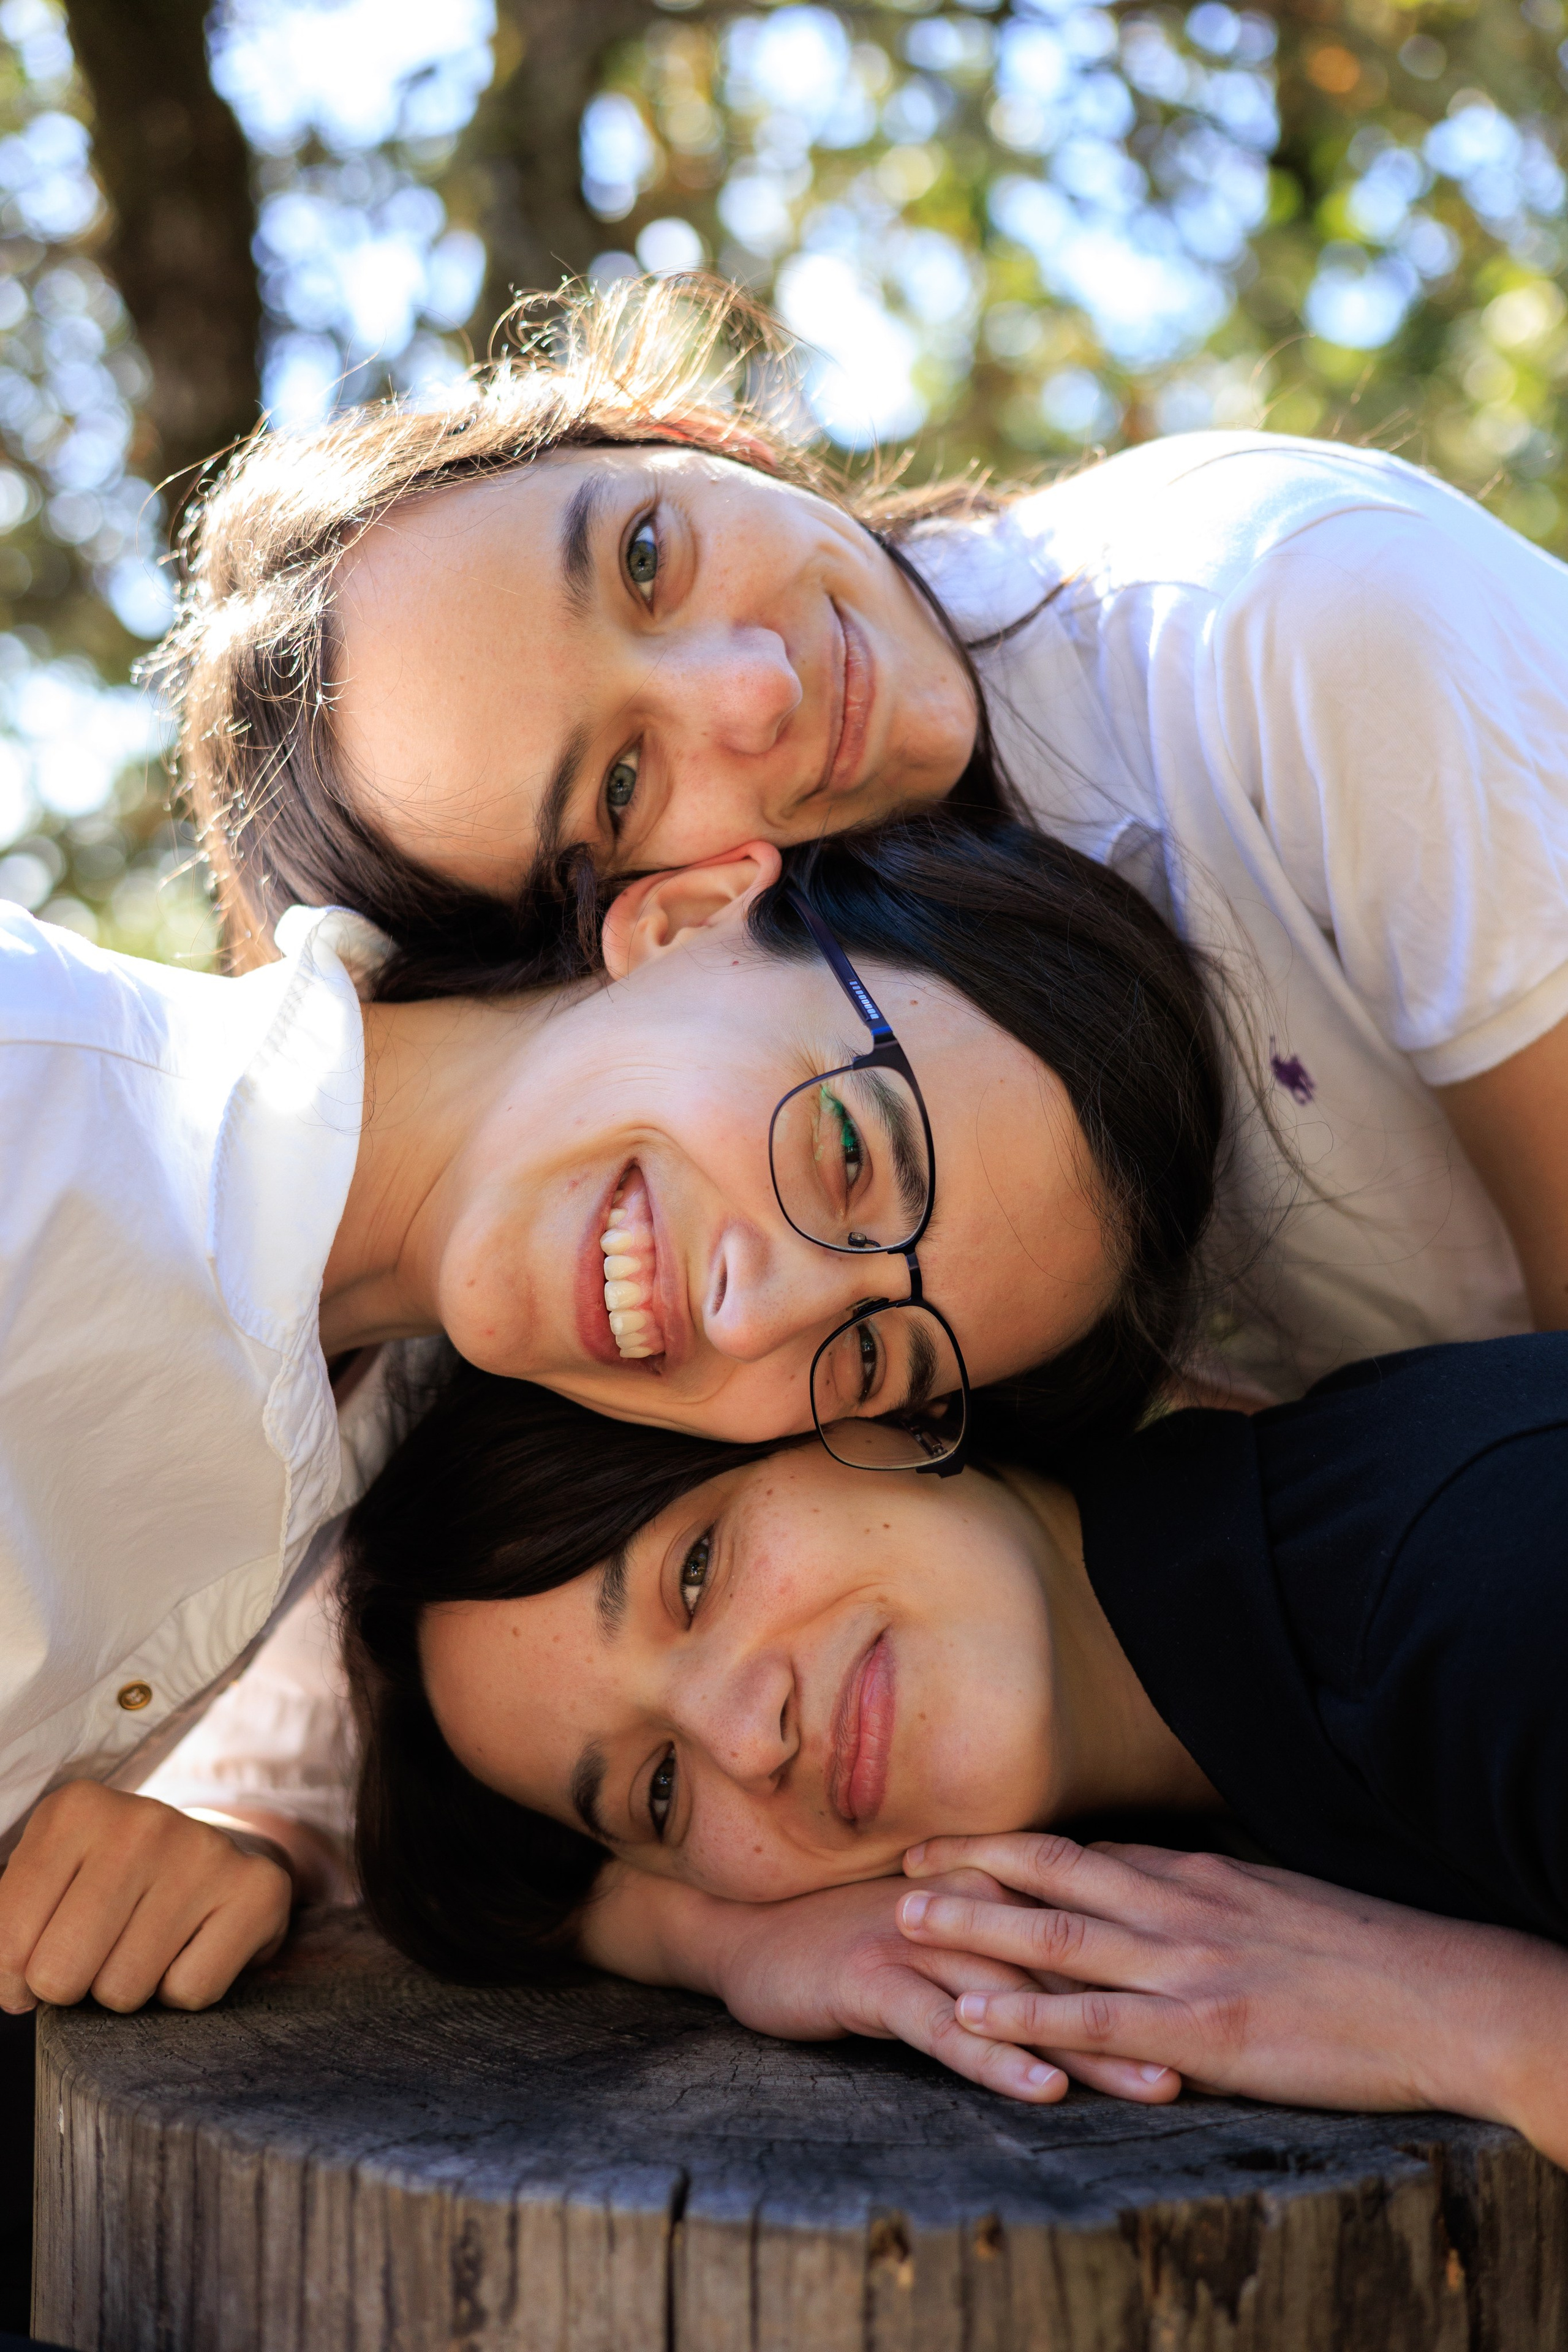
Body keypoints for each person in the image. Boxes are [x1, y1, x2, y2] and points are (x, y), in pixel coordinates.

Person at [157, 273, 1568, 1401]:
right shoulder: (739, 1213)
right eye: (623, 788)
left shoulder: (1289, 620)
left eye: (646, 557)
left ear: (703, 439)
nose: (751, 687)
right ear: (626, 945)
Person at [0, 812, 1227, 2018]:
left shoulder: (391, 1419)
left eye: (862, 1361)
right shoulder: (30, 1090)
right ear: (689, 919)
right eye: (847, 1153)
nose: (755, 1319)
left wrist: (700, 1928)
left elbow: (423, 1766)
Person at [338, 1332, 1568, 2167]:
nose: (740, 1734)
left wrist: (1475, 2023)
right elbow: (527, 1907)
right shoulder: (1268, 1639)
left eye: (696, 1572)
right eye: (659, 1791)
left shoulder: (1479, 1590)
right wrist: (721, 1934)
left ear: (873, 1399)